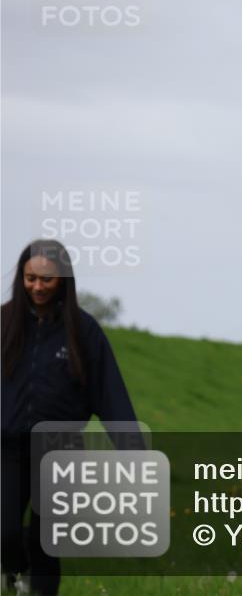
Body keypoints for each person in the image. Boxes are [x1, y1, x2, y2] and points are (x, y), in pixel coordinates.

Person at [1, 240, 140, 595]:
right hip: (8, 449)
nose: (37, 287)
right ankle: (15, 574)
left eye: (46, 280)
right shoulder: (3, 322)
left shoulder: (83, 330)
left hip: (60, 452)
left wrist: (134, 453)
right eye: (30, 278)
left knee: (47, 541)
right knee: (6, 532)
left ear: (63, 279)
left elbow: (110, 395)